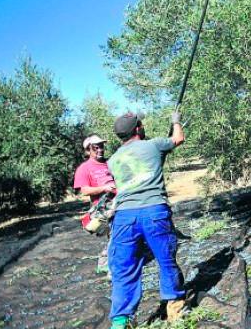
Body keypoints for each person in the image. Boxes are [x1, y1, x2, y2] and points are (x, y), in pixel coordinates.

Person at [107, 112, 186, 329]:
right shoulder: (153, 145)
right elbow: (178, 139)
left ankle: (121, 321)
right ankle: (175, 307)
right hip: (153, 211)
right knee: (165, 260)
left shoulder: (113, 160)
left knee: (124, 268)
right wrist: (175, 120)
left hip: (124, 217)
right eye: (141, 124)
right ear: (138, 129)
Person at [73, 134, 116, 274]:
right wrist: (103, 188)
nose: (100, 150)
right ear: (88, 151)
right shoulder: (84, 168)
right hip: (103, 209)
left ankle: (105, 263)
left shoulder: (110, 163)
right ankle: (109, 267)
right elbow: (84, 190)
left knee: (117, 236)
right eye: (95, 148)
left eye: (101, 147)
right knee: (116, 236)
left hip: (119, 204)